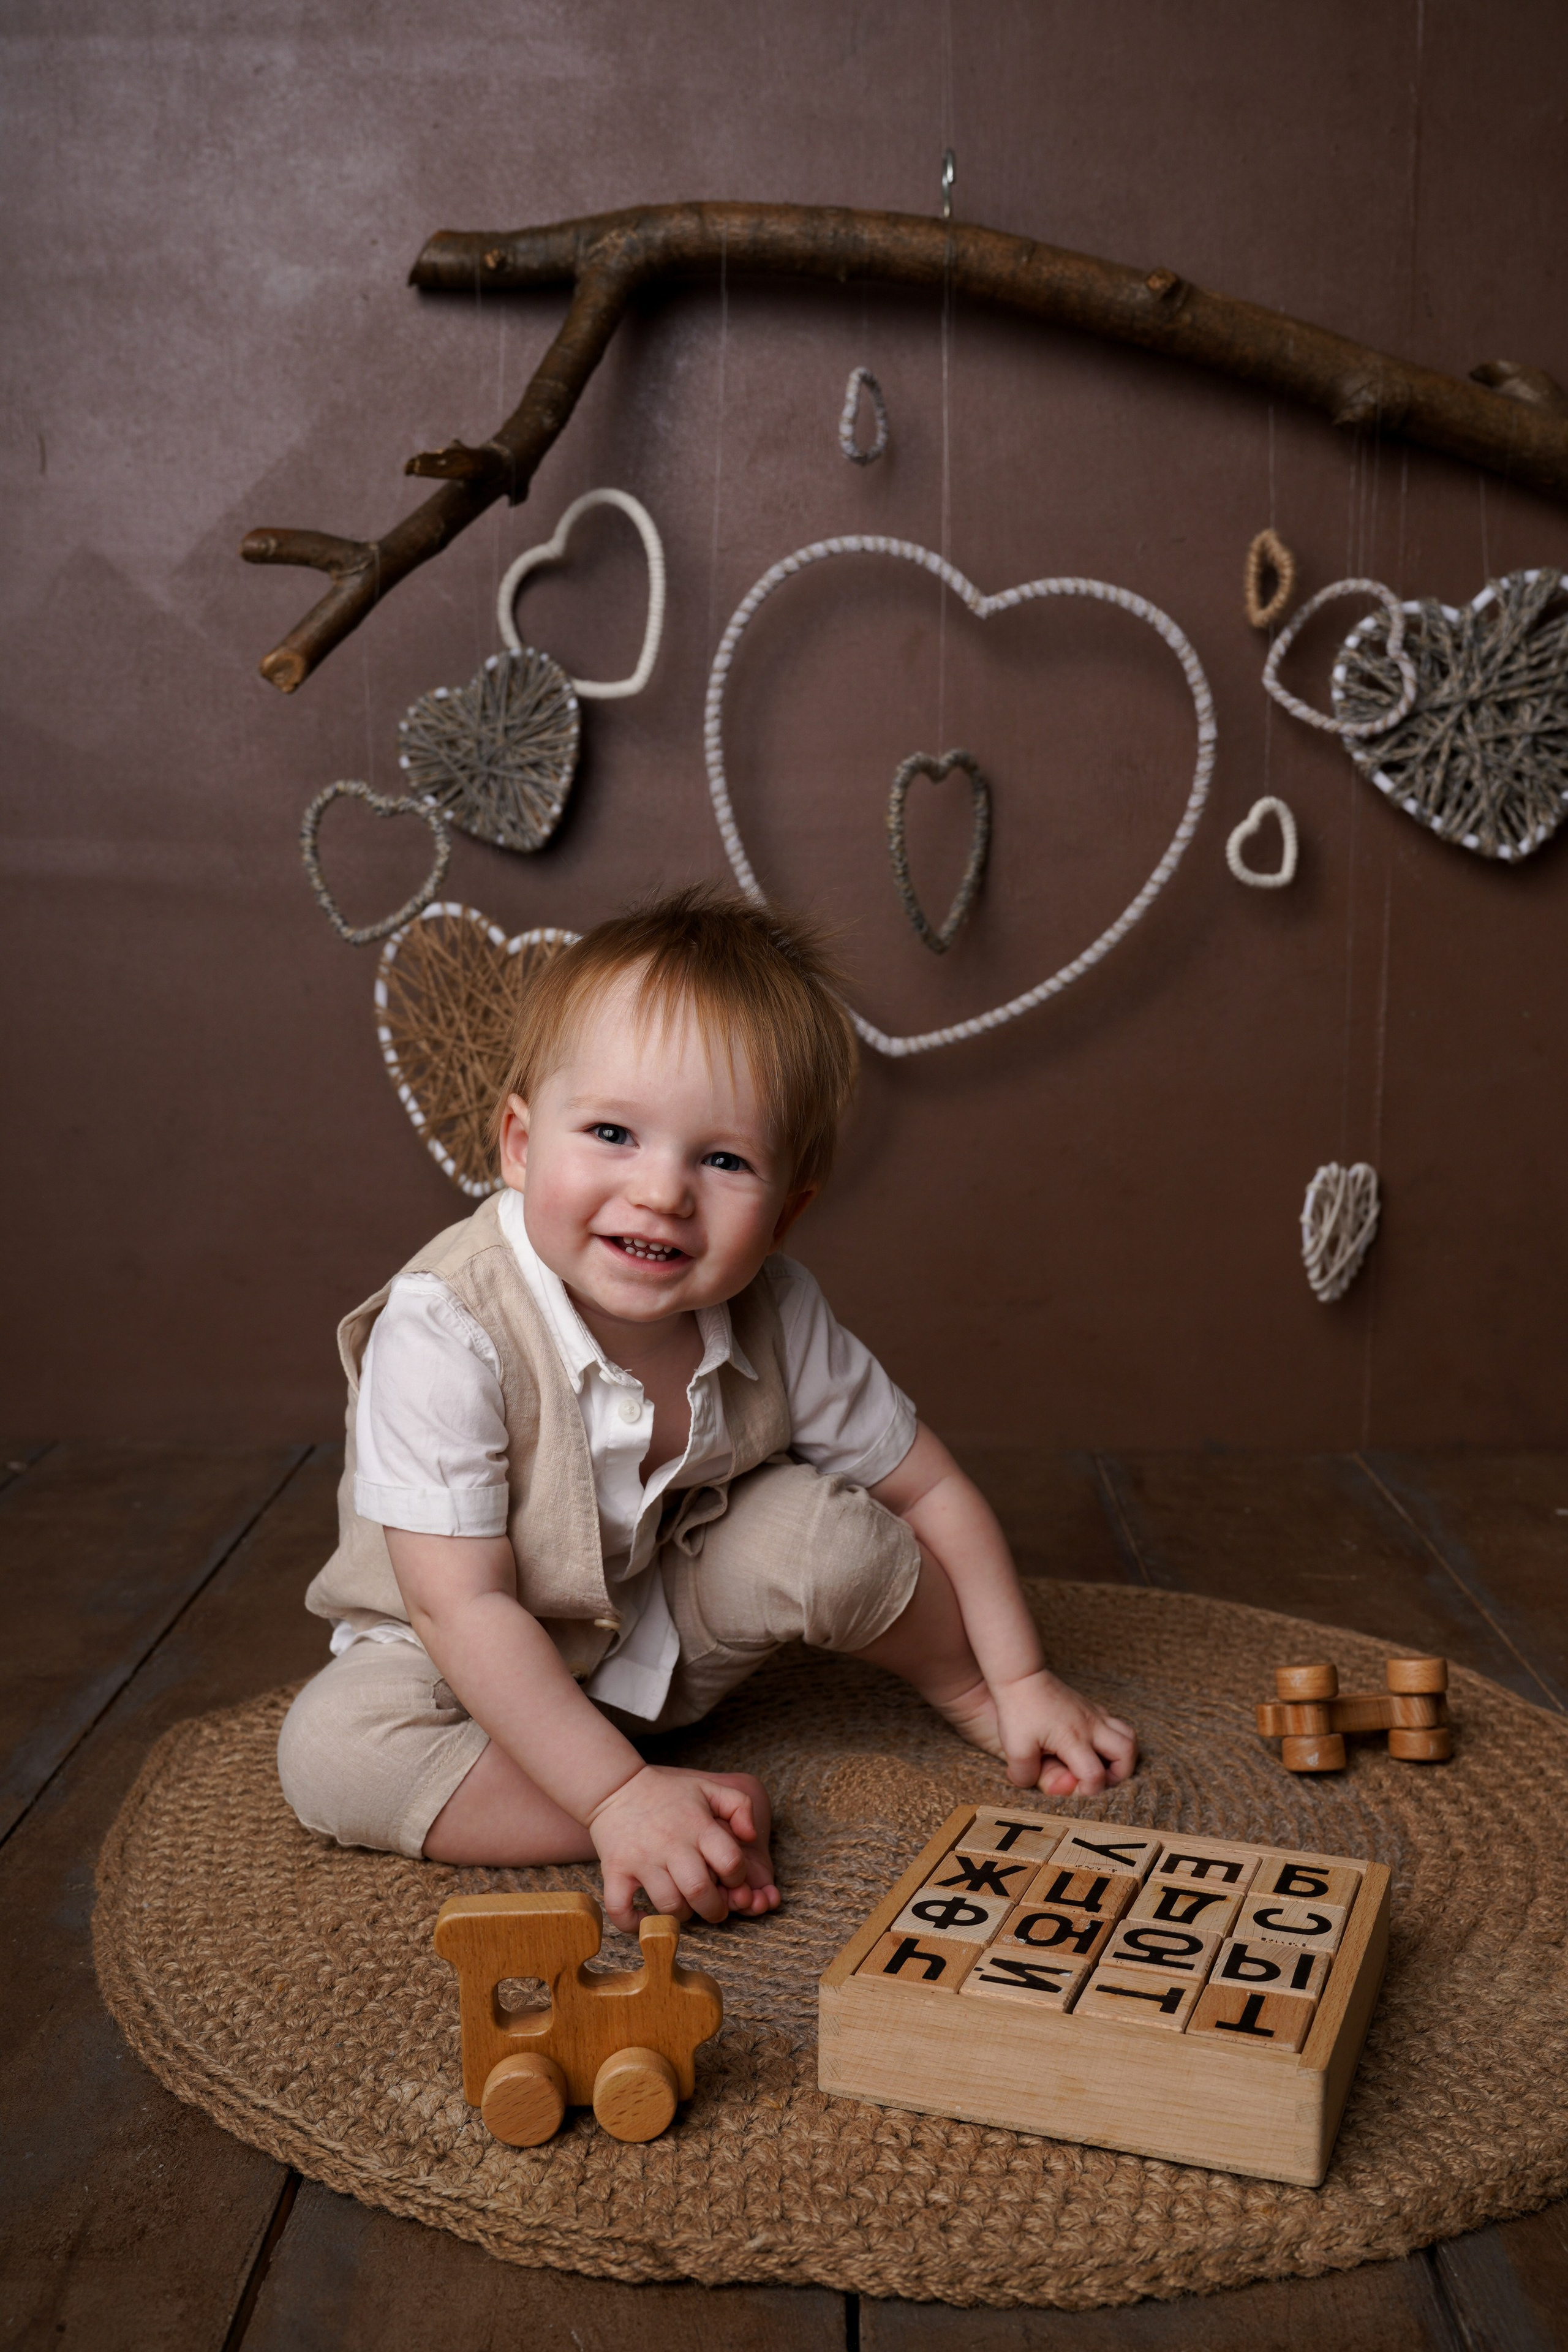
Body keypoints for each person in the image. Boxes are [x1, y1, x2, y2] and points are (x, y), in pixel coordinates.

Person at [278, 888, 1137, 1930]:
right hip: (455, 1661)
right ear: (516, 1143)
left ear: (787, 1213)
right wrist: (614, 1796)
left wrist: (1018, 1677)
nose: (662, 1193)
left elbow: (933, 1489)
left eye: (723, 1160)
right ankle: (669, 1810)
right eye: (611, 1132)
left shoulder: (780, 1310)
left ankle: (962, 1700)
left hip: (661, 1624)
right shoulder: (448, 1328)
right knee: (332, 1753)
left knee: (829, 1535)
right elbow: (460, 1606)